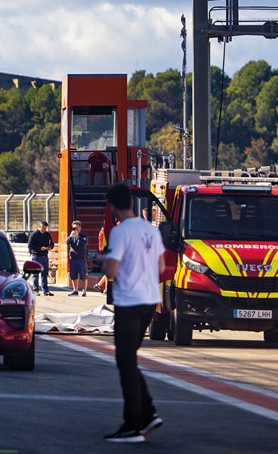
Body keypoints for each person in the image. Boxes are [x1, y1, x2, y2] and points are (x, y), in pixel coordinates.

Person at [101, 182, 165, 443]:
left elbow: (111, 271)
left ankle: (133, 424)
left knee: (124, 362)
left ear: (113, 206)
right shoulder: (150, 229)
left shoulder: (120, 232)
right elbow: (160, 265)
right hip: (150, 300)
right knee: (130, 359)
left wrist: (103, 261)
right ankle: (147, 413)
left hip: (129, 302)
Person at [28, 220, 56, 296]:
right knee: (35, 274)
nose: (44, 229)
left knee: (44, 273)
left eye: (45, 228)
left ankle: (45, 290)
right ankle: (35, 289)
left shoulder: (47, 234)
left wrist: (50, 247)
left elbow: (52, 243)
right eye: (43, 228)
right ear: (39, 227)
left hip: (45, 256)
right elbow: (30, 246)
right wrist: (40, 248)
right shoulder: (34, 234)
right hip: (36, 256)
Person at [66, 220, 89, 296]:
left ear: (79, 228)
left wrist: (78, 236)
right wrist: (70, 236)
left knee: (83, 275)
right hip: (73, 258)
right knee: (73, 275)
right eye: (73, 228)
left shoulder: (83, 236)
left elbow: (85, 242)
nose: (75, 229)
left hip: (81, 258)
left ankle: (84, 291)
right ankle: (75, 290)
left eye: (76, 228)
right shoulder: (72, 237)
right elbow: (67, 242)